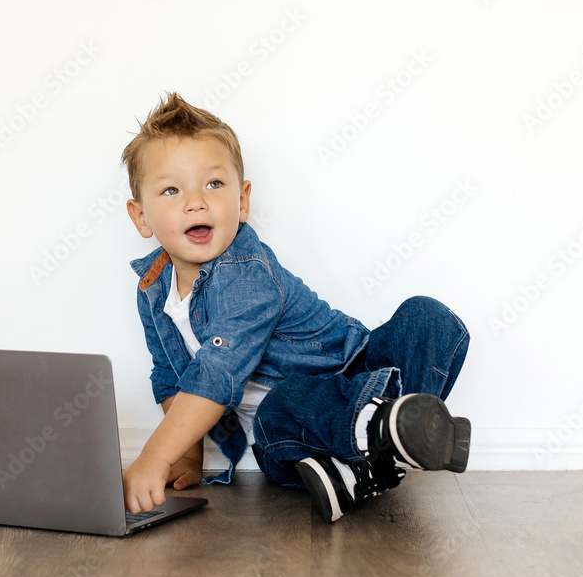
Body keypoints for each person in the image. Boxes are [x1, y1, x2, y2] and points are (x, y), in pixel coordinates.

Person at [120, 92, 470, 523]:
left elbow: (218, 371)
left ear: (243, 200)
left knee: (428, 318)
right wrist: (185, 459)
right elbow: (172, 378)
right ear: (141, 217)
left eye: (214, 184)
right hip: (285, 436)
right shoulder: (152, 290)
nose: (196, 201)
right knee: (282, 407)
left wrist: (154, 455)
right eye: (171, 190)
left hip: (353, 371)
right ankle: (376, 449)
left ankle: (375, 446)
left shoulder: (247, 272)